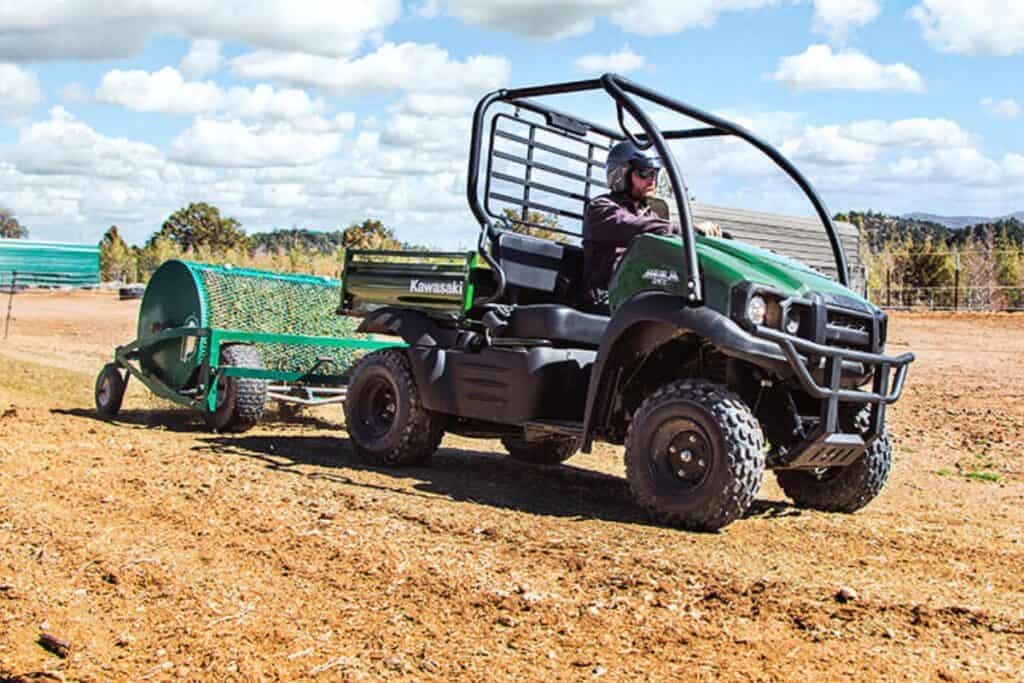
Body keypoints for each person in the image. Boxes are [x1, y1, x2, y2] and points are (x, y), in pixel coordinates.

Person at [581, 141, 718, 313]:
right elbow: (634, 226)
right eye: (644, 173)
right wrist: (688, 229)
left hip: (637, 296)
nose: (652, 180)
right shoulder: (601, 208)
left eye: (654, 173)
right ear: (620, 175)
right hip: (606, 297)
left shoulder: (649, 214)